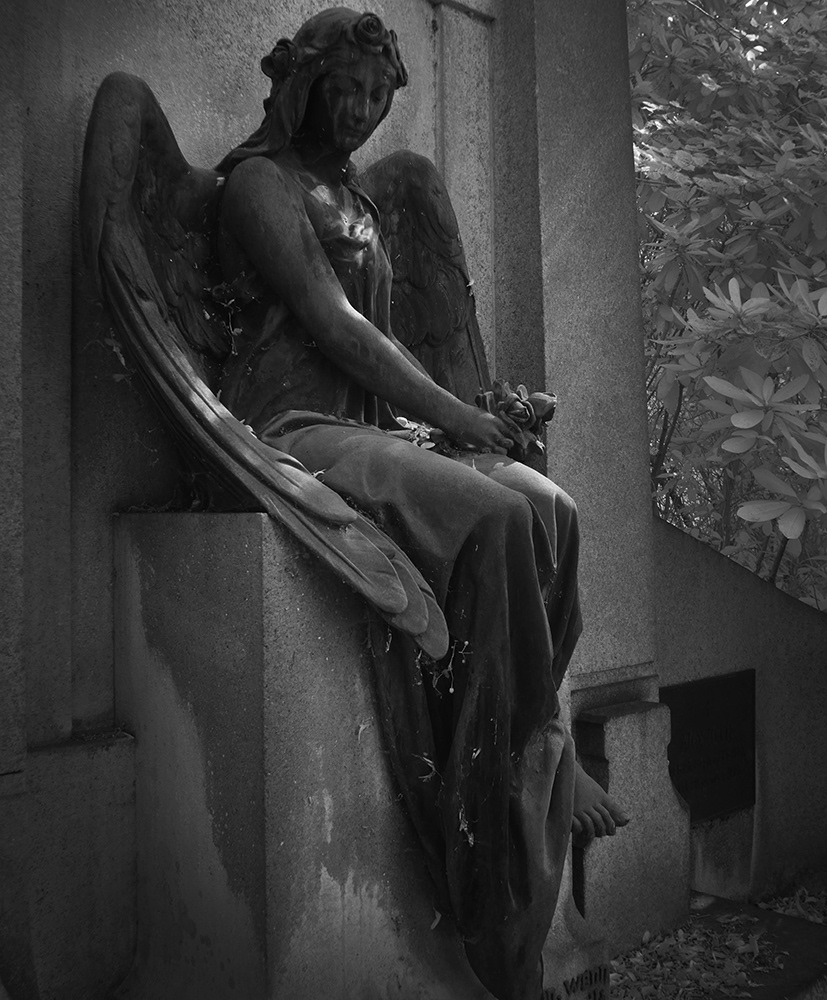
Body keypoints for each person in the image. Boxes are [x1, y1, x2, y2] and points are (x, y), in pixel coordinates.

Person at [215, 9, 627, 999]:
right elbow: (335, 327)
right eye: (346, 89)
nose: (361, 110)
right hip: (290, 428)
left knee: (550, 507)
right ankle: (497, 800)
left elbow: (389, 341)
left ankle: (539, 737)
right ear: (304, 84)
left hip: (370, 429)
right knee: (494, 518)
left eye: (376, 94)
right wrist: (456, 417)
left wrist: (465, 420)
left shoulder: (359, 195)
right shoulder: (258, 186)